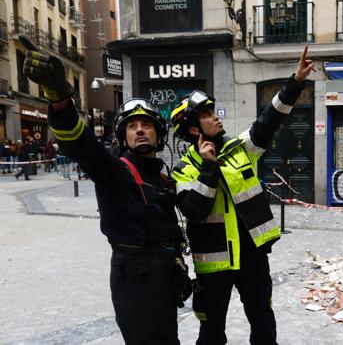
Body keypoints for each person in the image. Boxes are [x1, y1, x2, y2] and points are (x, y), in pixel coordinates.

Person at [20, 35, 187, 344]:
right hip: (135, 280)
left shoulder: (162, 176)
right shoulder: (114, 169)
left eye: (146, 124)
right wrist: (58, 98)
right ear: (123, 136)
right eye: (132, 126)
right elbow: (79, 144)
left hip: (163, 277)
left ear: (159, 133)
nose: (139, 129)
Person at [170, 45, 314, 345]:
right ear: (195, 130)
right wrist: (209, 168)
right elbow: (194, 210)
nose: (216, 117)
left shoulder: (239, 149)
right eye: (208, 116)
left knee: (263, 323)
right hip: (213, 267)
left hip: (252, 259)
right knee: (211, 333)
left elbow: (268, 121)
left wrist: (295, 83)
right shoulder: (183, 171)